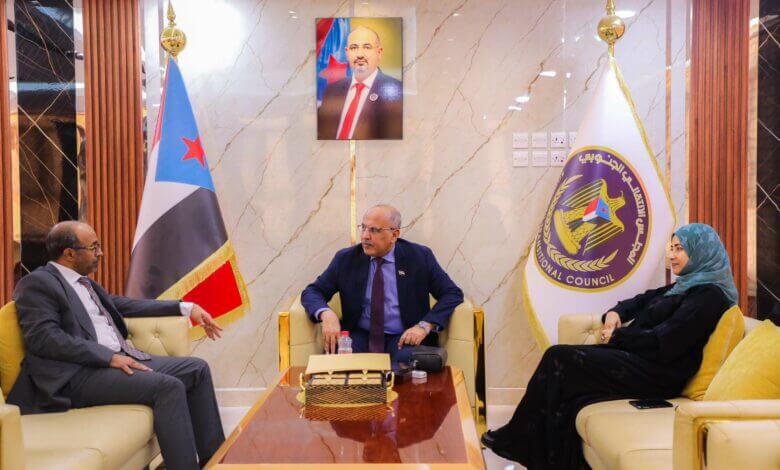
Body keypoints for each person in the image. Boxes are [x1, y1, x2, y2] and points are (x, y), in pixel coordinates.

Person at [482, 223, 739, 469]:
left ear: (702, 252)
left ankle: (518, 439)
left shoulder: (709, 296)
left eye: (680, 249)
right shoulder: (683, 286)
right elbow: (640, 301)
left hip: (659, 373)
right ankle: (540, 452)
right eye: (671, 248)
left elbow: (665, 341)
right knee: (567, 383)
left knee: (558, 358)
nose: (672, 255)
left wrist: (616, 337)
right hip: (640, 359)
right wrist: (616, 313)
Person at [7, 221, 226, 470]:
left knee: (197, 369)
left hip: (112, 361)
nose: (100, 253)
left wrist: (186, 307)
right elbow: (45, 338)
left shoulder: (84, 284)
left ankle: (216, 464)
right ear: (69, 254)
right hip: (77, 374)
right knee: (168, 387)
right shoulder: (37, 284)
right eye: (94, 247)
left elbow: (123, 305)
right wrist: (108, 357)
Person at [301, 205, 463, 363]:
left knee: (410, 367)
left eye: (374, 230)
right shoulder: (346, 259)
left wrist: (424, 326)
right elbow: (313, 291)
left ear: (394, 234)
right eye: (363, 228)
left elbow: (451, 293)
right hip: (360, 335)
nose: (365, 236)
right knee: (341, 364)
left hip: (405, 335)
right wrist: (326, 314)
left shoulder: (419, 257)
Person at [317, 26, 402, 140]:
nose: (360, 54)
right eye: (354, 48)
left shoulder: (398, 91)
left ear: (379, 52)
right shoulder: (331, 90)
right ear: (347, 53)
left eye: (367, 47)